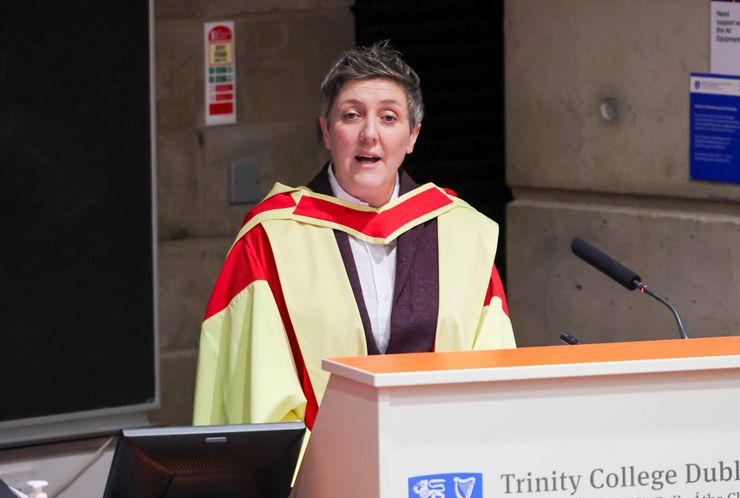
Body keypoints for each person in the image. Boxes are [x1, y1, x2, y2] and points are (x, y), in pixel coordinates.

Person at [193, 42, 515, 430]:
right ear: (327, 132)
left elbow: (493, 376)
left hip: (439, 461)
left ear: (412, 136)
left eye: (389, 117)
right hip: (316, 466)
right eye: (351, 115)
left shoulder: (462, 235)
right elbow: (256, 393)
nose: (370, 134)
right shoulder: (270, 241)